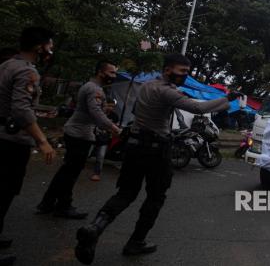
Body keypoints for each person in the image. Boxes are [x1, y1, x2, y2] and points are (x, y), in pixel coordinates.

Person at [74, 54, 241, 265]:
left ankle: (95, 227)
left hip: (134, 146)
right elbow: (198, 108)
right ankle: (137, 241)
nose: (185, 76)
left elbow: (137, 110)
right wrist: (230, 98)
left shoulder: (147, 86)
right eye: (182, 72)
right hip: (155, 149)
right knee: (156, 197)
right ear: (168, 69)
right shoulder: (167, 91)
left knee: (125, 193)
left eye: (187, 72)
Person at [0, 27, 56, 266]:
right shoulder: (27, 71)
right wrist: (42, 141)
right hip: (11, 141)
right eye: (49, 46)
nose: (50, 51)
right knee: (3, 193)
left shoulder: (6, 64)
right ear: (39, 47)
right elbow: (21, 109)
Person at [36, 61, 122, 219]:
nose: (114, 76)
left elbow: (94, 113)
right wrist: (114, 129)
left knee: (66, 171)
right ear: (100, 72)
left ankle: (48, 203)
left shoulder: (92, 87)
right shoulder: (94, 89)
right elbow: (96, 112)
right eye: (111, 73)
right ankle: (63, 206)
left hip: (78, 132)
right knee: (71, 173)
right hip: (79, 135)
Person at [90, 100, 120, 182]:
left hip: (104, 139)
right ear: (104, 104)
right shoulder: (98, 113)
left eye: (113, 106)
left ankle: (96, 173)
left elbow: (115, 129)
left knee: (101, 156)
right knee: (85, 153)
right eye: (109, 105)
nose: (110, 108)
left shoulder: (115, 116)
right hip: (92, 137)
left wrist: (112, 131)